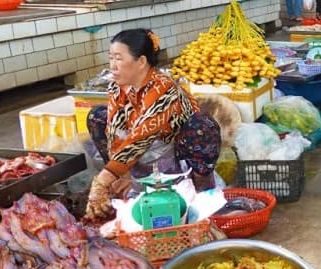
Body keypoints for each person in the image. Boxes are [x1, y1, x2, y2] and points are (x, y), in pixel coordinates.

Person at [85, 29, 221, 220]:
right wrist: (118, 174)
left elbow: (141, 138)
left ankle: (200, 189)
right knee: (98, 116)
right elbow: (115, 128)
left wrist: (101, 182)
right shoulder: (117, 85)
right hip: (141, 156)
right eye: (111, 58)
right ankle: (126, 183)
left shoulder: (163, 88)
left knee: (202, 125)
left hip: (175, 152)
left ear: (141, 62)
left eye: (119, 59)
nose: (113, 66)